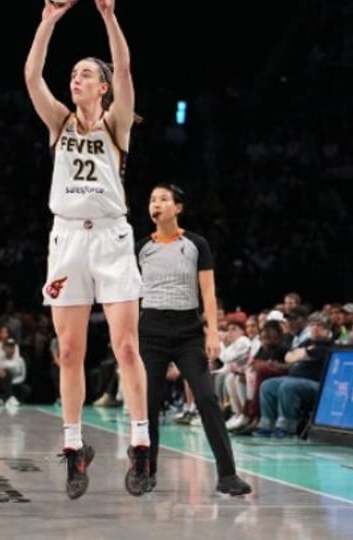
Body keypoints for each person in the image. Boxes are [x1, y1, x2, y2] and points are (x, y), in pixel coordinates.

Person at [24, 0, 151, 499]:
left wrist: (107, 14)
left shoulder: (116, 124)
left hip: (113, 240)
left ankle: (142, 447)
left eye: (83, 75)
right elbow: (32, 76)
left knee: (125, 345)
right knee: (70, 351)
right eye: (72, 74)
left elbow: (124, 65)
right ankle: (75, 448)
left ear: (101, 86)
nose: (74, 79)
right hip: (68, 240)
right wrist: (48, 21)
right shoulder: (58, 123)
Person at [136, 183, 252, 496]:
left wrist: (212, 332)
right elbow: (129, 293)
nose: (155, 204)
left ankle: (227, 475)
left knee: (207, 398)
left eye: (162, 199)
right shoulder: (140, 247)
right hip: (150, 330)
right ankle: (146, 472)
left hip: (187, 331)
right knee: (146, 405)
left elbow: (208, 293)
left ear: (178, 207)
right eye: (152, 199)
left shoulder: (196, 244)